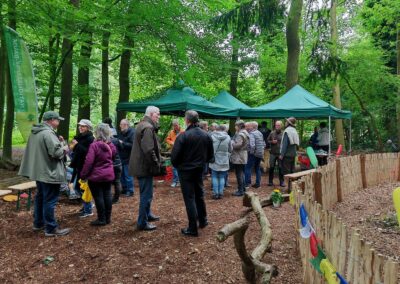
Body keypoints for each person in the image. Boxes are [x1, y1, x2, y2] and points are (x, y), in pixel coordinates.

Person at [18, 111, 70, 236]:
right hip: (49, 172)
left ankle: (38, 223)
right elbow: (56, 153)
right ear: (52, 120)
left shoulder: (36, 132)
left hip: (39, 172)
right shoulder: (48, 133)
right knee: (50, 200)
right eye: (57, 120)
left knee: (40, 197)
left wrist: (59, 142)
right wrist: (66, 147)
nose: (58, 122)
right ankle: (51, 228)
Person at [171, 110, 214, 237]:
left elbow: (174, 157)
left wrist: (180, 166)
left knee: (189, 197)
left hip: (186, 171)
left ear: (187, 120)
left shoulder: (183, 136)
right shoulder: (206, 135)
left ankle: (192, 228)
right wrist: (200, 163)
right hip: (198, 170)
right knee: (199, 195)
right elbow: (210, 156)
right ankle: (203, 220)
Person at [129, 106, 162, 231]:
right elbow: (148, 149)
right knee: (146, 195)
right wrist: (156, 163)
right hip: (144, 167)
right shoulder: (147, 127)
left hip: (141, 165)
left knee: (146, 193)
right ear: (152, 114)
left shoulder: (142, 124)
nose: (159, 116)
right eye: (157, 114)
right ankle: (142, 223)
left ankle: (147, 214)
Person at [81, 123, 117, 226]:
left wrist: (83, 175)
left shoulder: (94, 145)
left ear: (97, 132)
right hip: (108, 175)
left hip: (95, 177)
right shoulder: (111, 145)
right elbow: (113, 157)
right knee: (107, 195)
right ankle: (107, 219)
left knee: (98, 197)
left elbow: (89, 162)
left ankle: (101, 219)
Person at [69, 119, 95, 218]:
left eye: (83, 126)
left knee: (83, 188)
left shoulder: (90, 138)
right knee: (77, 187)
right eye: (80, 126)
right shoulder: (80, 137)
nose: (80, 127)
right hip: (77, 165)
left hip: (84, 166)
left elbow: (87, 153)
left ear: (88, 128)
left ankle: (88, 209)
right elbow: (75, 150)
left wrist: (77, 145)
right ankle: (87, 204)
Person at [209, 125, 232, 199]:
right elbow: (230, 149)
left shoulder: (212, 136)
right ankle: (221, 193)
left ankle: (215, 193)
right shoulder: (228, 137)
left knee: (214, 176)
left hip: (214, 158)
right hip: (224, 159)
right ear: (224, 129)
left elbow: (209, 148)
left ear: (216, 129)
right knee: (222, 177)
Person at [231, 120, 249, 197]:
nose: (235, 127)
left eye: (236, 126)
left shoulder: (241, 134)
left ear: (239, 126)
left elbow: (238, 145)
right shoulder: (245, 132)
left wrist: (232, 143)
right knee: (241, 172)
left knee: (239, 173)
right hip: (243, 155)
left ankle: (240, 190)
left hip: (239, 156)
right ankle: (243, 188)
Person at [245, 121, 265, 189]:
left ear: (253, 127)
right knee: (257, 168)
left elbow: (252, 145)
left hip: (254, 154)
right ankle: (258, 184)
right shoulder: (260, 133)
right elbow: (263, 144)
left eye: (250, 125)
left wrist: (251, 152)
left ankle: (247, 184)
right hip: (260, 153)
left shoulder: (252, 134)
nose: (249, 127)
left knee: (247, 167)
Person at [117, 119, 135, 197]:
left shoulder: (132, 133)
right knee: (122, 175)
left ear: (127, 125)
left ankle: (130, 191)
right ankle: (124, 189)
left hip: (129, 157)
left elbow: (133, 145)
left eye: (122, 125)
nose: (121, 126)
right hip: (121, 156)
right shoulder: (121, 133)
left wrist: (123, 143)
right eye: (120, 124)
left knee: (128, 175)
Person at [165, 119, 183, 188]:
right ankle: (175, 181)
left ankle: (180, 181)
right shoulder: (171, 132)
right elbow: (167, 139)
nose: (175, 127)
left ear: (179, 124)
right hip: (173, 151)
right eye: (174, 126)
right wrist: (171, 142)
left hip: (181, 152)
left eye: (176, 125)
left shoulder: (183, 131)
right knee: (174, 167)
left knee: (180, 167)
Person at [267, 121, 284, 186]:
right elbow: (267, 140)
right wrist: (272, 142)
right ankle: (270, 181)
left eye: (278, 125)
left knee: (280, 168)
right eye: (276, 125)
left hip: (280, 153)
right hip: (273, 153)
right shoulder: (272, 133)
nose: (277, 127)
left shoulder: (284, 133)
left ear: (281, 126)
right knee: (271, 167)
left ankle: (281, 182)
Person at [110, 136, 123, 204]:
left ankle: (109, 198)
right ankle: (116, 199)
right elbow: (121, 148)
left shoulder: (103, 141)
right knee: (117, 181)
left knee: (108, 181)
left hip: (110, 164)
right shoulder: (116, 140)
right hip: (118, 163)